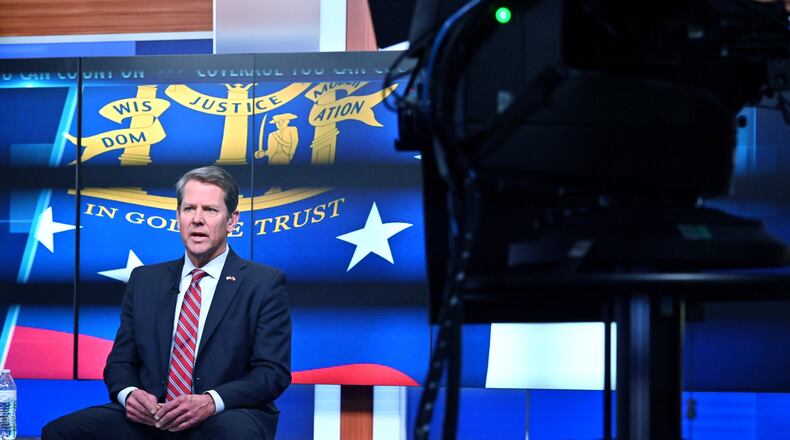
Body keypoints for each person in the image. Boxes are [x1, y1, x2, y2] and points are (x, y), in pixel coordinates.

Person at [43, 166, 292, 439]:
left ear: (232, 221)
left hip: (226, 413)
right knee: (61, 432)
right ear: (178, 216)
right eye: (188, 209)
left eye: (210, 210)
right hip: (153, 416)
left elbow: (272, 372)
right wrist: (130, 394)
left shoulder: (263, 283)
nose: (197, 219)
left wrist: (210, 401)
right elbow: (120, 363)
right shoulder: (145, 280)